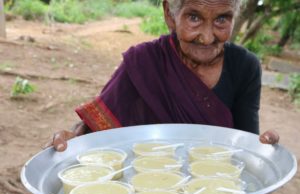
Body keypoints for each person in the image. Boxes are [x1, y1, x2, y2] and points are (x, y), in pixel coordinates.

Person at [45, 0, 279, 152]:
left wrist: (264, 146)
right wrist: (74, 138)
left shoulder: (245, 67)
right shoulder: (143, 63)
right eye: (194, 18)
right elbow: (101, 128)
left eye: (221, 19)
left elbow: (246, 144)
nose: (207, 38)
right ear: (170, 14)